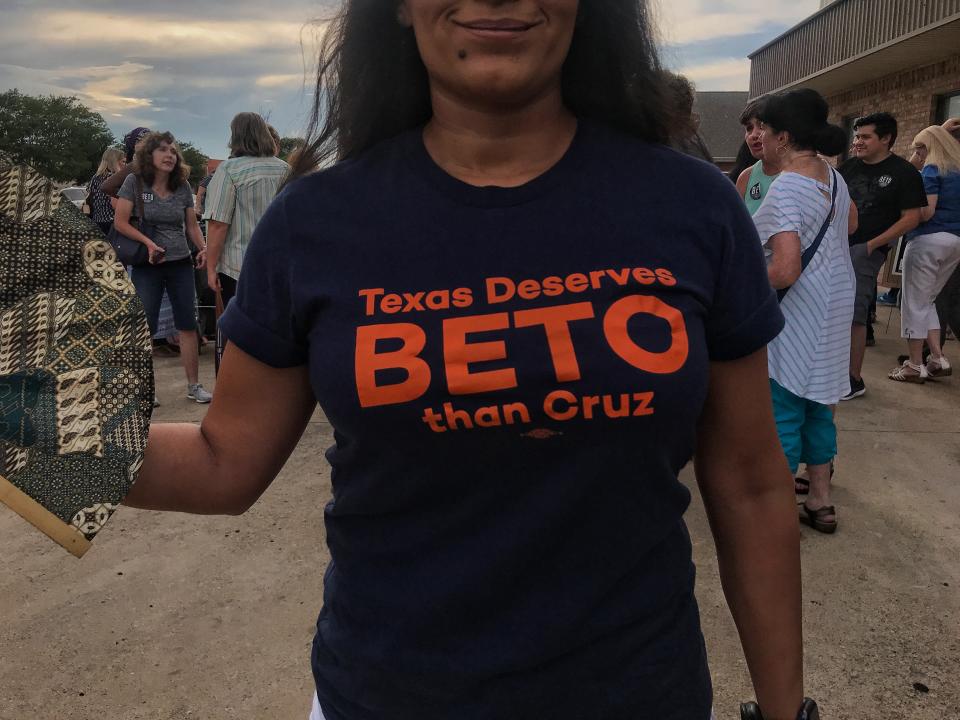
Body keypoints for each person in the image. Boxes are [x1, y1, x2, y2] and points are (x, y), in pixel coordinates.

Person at [124, 2, 809, 719]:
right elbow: (221, 461)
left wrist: (786, 710)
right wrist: (40, 434)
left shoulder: (691, 205)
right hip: (386, 696)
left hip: (637, 693)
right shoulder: (314, 223)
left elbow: (752, 485)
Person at [752, 89, 856, 533]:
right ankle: (821, 500)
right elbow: (851, 225)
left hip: (797, 309)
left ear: (785, 136)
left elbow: (786, 268)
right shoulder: (833, 177)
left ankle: (774, 511)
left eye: (764, 130)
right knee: (819, 403)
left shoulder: (787, 185)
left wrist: (741, 283)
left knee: (783, 404)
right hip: (836, 302)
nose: (759, 137)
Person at [113, 131, 212, 403]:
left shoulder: (181, 186)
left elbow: (191, 225)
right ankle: (144, 389)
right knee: (146, 326)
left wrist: (203, 249)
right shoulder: (134, 182)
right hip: (148, 264)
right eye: (163, 150)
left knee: (187, 324)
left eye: (173, 151)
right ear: (149, 155)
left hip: (180, 263)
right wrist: (148, 243)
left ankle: (194, 386)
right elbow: (120, 222)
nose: (170, 155)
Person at [839, 112, 927, 399]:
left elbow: (912, 217)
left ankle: (853, 379)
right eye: (856, 136)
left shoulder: (904, 173)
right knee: (834, 311)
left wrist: (872, 245)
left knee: (854, 313)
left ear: (886, 138)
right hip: (836, 247)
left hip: (866, 250)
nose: (857, 142)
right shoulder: (848, 168)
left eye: (865, 137)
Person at [889, 125, 960, 382]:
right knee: (927, 300)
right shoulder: (956, 170)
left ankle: (914, 363)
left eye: (920, 147)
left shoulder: (933, 169)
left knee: (913, 303)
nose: (918, 153)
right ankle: (937, 358)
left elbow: (926, 211)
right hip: (954, 241)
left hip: (927, 240)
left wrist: (902, 215)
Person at [203, 112, 289, 306]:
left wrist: (210, 268)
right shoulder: (285, 169)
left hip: (239, 268)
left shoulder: (229, 170)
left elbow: (218, 225)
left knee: (242, 330)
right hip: (280, 266)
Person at [736, 99, 783, 216]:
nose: (753, 135)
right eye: (749, 128)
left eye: (761, 126)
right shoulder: (745, 178)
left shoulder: (805, 171)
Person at [101, 127, 151, 198]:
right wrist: (132, 199)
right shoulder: (133, 166)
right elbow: (106, 187)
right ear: (134, 145)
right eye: (141, 141)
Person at [87, 147, 124, 234]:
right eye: (123, 161)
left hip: (96, 220)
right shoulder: (115, 178)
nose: (125, 165)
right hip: (112, 221)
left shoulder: (95, 177)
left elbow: (90, 196)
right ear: (115, 162)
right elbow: (117, 203)